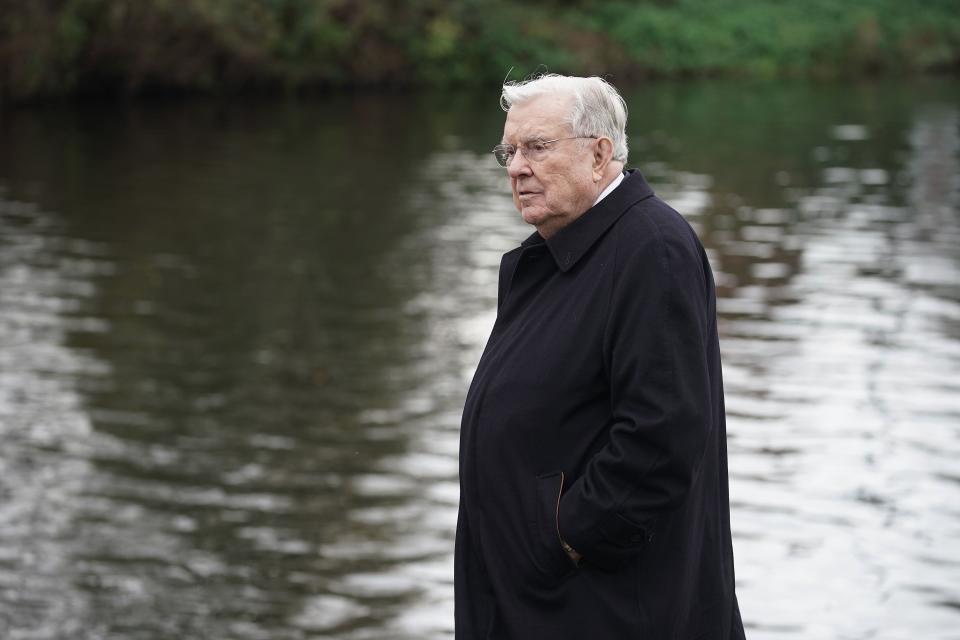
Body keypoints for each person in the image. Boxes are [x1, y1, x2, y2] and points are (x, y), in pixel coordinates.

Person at [455, 74, 746, 639]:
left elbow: (663, 436)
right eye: (509, 151)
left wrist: (563, 538)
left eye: (537, 147)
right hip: (537, 598)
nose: (516, 168)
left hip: (603, 609)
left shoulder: (649, 249)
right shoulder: (557, 250)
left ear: (599, 154)